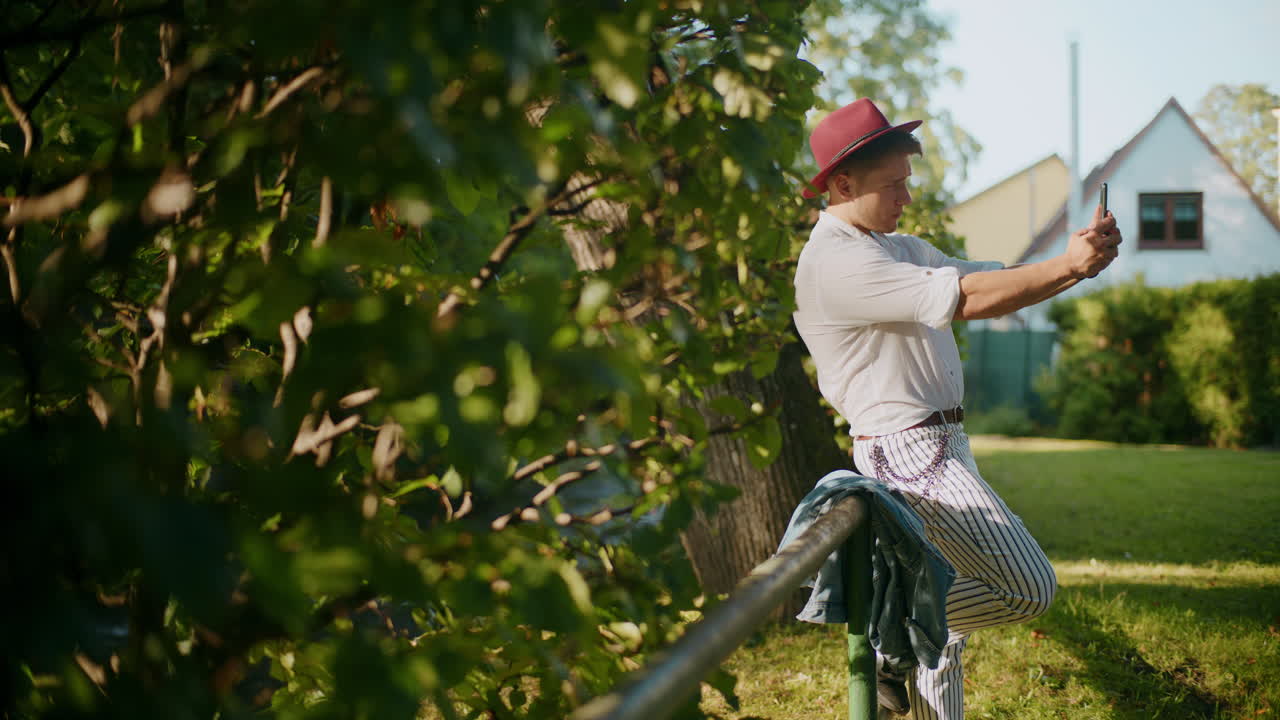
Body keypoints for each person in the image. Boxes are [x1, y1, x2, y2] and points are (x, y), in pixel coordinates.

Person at [792, 98, 1120, 719]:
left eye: (907, 183)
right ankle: (892, 636)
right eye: (894, 186)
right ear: (841, 183)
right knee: (1027, 589)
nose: (906, 199)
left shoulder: (898, 247)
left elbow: (987, 278)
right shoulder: (836, 262)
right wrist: (1068, 266)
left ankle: (910, 652)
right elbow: (968, 298)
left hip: (941, 443)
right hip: (908, 452)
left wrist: (1075, 264)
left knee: (951, 632)